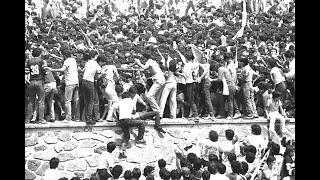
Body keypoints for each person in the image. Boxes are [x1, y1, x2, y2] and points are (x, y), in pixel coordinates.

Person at [45, 48, 80, 122]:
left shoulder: (67, 61)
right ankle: (76, 118)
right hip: (76, 82)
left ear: (64, 55)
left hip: (70, 83)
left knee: (68, 101)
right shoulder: (73, 60)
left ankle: (68, 118)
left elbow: (62, 69)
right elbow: (63, 59)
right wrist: (55, 57)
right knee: (75, 101)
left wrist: (51, 69)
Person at [135, 55, 166, 133]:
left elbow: (144, 67)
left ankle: (158, 112)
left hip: (159, 80)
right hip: (160, 79)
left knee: (149, 96)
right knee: (154, 97)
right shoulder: (153, 62)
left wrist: (138, 63)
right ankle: (158, 113)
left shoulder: (149, 61)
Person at [81, 53, 105, 125]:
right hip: (90, 82)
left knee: (86, 100)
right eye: (102, 63)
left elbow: (83, 70)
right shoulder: (98, 67)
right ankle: (89, 119)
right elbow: (96, 78)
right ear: (100, 61)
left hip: (84, 81)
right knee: (91, 101)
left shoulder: (89, 62)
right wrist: (102, 75)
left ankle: (86, 117)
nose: (102, 65)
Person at [25, 47, 47, 124]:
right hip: (39, 81)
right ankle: (41, 119)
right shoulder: (42, 61)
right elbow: (45, 71)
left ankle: (27, 119)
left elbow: (27, 71)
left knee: (31, 101)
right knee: (41, 101)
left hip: (31, 81)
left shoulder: (29, 61)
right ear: (39, 53)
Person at [100, 55, 120, 122]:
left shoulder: (103, 67)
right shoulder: (112, 67)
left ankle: (112, 117)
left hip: (103, 87)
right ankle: (109, 117)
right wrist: (114, 80)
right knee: (117, 101)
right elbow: (118, 76)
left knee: (110, 102)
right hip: (109, 85)